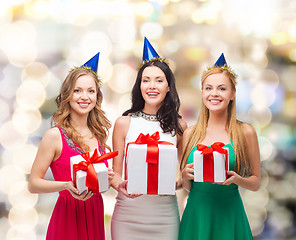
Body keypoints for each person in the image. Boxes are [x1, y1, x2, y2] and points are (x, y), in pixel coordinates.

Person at [28, 52, 114, 240]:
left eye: (91, 91)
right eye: (78, 90)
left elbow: (97, 184)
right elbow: (33, 184)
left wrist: (106, 179)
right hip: (67, 216)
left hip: (94, 213)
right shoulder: (54, 136)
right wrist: (66, 186)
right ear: (67, 95)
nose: (85, 97)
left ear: (97, 96)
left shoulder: (99, 134)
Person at [111, 37, 187, 240]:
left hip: (164, 216)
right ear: (139, 86)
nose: (152, 86)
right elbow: (115, 174)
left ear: (169, 87)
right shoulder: (123, 123)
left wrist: (176, 184)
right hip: (128, 215)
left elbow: (185, 176)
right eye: (146, 80)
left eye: (159, 80)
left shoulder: (179, 126)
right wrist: (121, 186)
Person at [178, 53, 261, 240]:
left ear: (232, 94)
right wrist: (184, 177)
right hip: (197, 215)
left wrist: (237, 179)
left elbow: (256, 182)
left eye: (221, 88)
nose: (214, 93)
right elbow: (188, 187)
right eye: (208, 88)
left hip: (229, 214)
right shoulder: (191, 133)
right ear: (202, 93)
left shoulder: (245, 132)